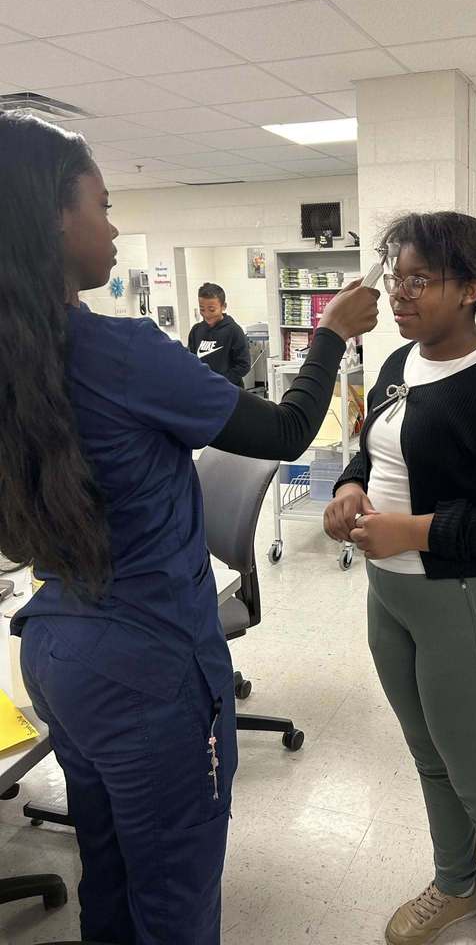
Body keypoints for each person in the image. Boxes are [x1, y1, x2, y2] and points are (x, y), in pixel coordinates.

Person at [0, 112, 378, 945]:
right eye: (102, 205)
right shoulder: (122, 352)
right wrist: (331, 333)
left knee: (107, 873)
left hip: (57, 654)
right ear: (53, 216)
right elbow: (286, 431)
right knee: (174, 899)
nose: (114, 226)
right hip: (149, 668)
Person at [323, 211, 476, 945]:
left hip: (473, 604)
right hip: (392, 597)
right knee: (432, 758)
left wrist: (417, 531)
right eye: (396, 278)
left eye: (419, 280)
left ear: (469, 289)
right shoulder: (399, 363)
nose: (398, 294)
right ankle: (457, 886)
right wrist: (349, 486)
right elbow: (375, 450)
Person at [188, 281, 251, 387]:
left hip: (228, 390)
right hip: (203, 388)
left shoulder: (234, 331)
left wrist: (219, 382)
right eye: (202, 309)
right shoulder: (196, 330)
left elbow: (244, 365)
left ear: (223, 306)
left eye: (212, 310)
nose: (207, 314)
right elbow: (191, 361)